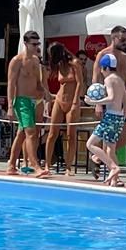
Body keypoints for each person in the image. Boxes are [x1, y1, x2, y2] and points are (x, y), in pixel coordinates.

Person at [93, 26, 126, 167]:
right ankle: (112, 171)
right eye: (123, 39)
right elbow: (95, 80)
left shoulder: (124, 57)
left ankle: (97, 157)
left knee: (123, 138)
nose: (125, 42)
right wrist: (98, 103)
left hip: (121, 100)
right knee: (109, 140)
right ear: (114, 38)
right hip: (108, 102)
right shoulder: (103, 55)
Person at [6, 30, 49, 178]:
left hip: (33, 100)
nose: (37, 46)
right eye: (34, 44)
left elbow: (38, 83)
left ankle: (11, 164)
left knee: (22, 134)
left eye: (38, 43)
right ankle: (35, 166)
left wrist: (46, 94)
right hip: (21, 101)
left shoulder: (36, 61)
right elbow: (10, 85)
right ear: (25, 44)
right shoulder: (17, 61)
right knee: (31, 133)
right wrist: (10, 107)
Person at [85, 52, 126, 187]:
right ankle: (115, 180)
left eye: (101, 69)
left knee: (90, 144)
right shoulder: (120, 80)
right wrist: (123, 116)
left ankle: (113, 167)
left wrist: (93, 102)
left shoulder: (109, 79)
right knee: (110, 149)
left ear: (106, 68)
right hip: (118, 117)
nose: (101, 72)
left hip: (110, 117)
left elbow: (110, 98)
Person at [43, 43, 84, 175]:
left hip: (72, 101)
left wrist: (76, 101)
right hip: (60, 100)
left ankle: (68, 167)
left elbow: (80, 83)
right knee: (52, 134)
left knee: (71, 135)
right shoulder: (60, 64)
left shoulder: (75, 63)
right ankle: (47, 165)